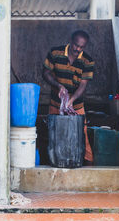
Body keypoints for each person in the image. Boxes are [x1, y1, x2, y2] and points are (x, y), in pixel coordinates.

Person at [42, 30, 95, 165]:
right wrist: (58, 86)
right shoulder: (55, 53)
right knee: (56, 136)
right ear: (71, 41)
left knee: (82, 136)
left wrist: (71, 100)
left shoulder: (88, 61)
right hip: (55, 104)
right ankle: (55, 164)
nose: (78, 49)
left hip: (77, 106)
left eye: (81, 47)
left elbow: (83, 85)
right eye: (76, 45)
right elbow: (46, 73)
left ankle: (89, 168)